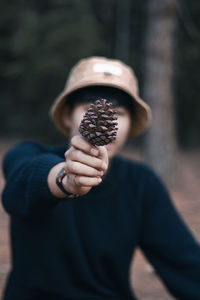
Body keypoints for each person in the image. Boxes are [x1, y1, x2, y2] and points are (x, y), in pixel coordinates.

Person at [2, 56, 200, 300]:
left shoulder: (141, 184)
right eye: (89, 109)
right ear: (67, 115)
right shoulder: (27, 154)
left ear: (129, 123)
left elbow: (186, 266)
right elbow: (20, 186)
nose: (105, 118)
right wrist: (65, 179)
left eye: (117, 112)